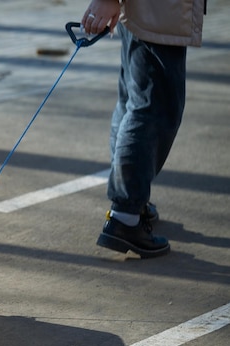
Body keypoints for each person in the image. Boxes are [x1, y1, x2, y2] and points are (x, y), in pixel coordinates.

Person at [81, 0, 206, 258]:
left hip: (152, 11)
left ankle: (131, 204)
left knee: (135, 100)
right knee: (152, 107)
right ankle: (126, 215)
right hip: (158, 10)